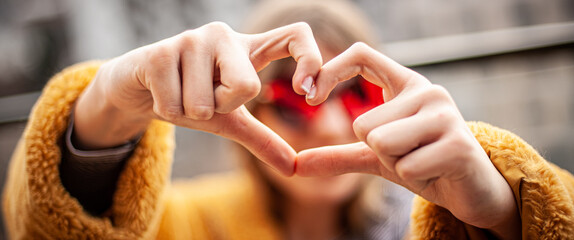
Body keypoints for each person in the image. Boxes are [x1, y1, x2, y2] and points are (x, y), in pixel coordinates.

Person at [3, 0, 574, 239]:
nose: (327, 127)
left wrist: (504, 218)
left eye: (354, 98)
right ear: (240, 105)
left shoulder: (442, 220)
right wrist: (107, 101)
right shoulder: (187, 224)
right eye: (294, 102)